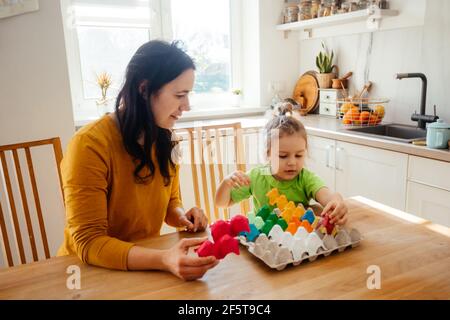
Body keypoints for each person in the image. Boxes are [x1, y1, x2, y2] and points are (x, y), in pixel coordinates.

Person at [57, 40, 219, 281]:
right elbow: (89, 242)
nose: (186, 106)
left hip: (145, 264)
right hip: (88, 272)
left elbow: (170, 202)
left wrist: (182, 215)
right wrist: (164, 259)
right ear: (144, 89)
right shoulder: (89, 145)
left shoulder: (166, 137)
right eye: (179, 95)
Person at [215, 108, 348, 226]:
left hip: (298, 242)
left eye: (299, 155)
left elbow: (328, 196)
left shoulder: (305, 178)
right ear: (268, 153)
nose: (292, 162)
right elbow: (222, 203)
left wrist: (337, 202)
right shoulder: (256, 176)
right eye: (283, 156)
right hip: (265, 242)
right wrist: (226, 183)